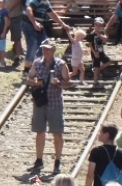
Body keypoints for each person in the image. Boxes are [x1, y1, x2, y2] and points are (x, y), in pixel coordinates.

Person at [27, 38, 71, 174]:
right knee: (40, 131)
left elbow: (68, 83)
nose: (45, 51)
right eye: (44, 49)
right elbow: (28, 79)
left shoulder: (61, 64)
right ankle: (39, 160)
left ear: (53, 50)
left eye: (48, 49)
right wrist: (34, 82)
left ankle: (57, 161)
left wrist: (58, 83)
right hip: (40, 102)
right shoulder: (37, 63)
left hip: (55, 103)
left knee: (57, 133)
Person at [23, 0, 72, 75]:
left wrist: (63, 24)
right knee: (32, 44)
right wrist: (34, 23)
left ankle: (37, 66)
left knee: (45, 44)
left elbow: (51, 13)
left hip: (39, 25)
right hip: (28, 24)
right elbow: (29, 9)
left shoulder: (45, 0)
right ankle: (26, 69)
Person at [1, 0, 26, 67]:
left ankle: (18, 57)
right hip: (4, 14)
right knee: (0, 34)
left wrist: (8, 10)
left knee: (16, 37)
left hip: (15, 15)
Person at [87, 18, 112, 86]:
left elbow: (105, 39)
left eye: (100, 25)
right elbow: (90, 44)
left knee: (108, 62)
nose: (98, 26)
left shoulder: (101, 33)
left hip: (101, 51)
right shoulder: (92, 34)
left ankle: (96, 71)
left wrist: (99, 35)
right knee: (97, 65)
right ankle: (95, 81)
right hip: (96, 52)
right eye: (97, 25)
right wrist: (94, 53)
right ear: (94, 25)